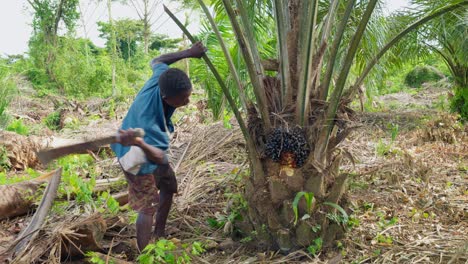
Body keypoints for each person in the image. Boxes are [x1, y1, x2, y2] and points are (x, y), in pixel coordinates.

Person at [111, 42, 207, 251]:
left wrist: (189, 53)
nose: (188, 102)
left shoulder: (160, 79)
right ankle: (146, 254)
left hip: (142, 144)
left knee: (169, 184)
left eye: (188, 95)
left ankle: (160, 233)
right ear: (167, 98)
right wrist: (139, 142)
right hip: (133, 156)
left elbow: (157, 61)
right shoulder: (151, 124)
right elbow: (158, 157)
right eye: (183, 99)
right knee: (148, 206)